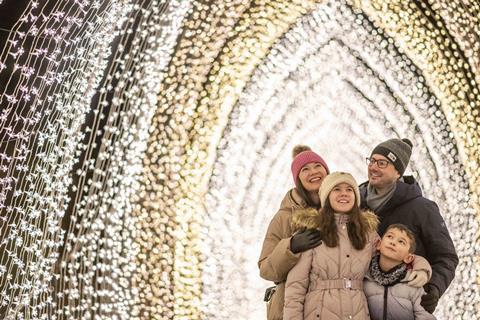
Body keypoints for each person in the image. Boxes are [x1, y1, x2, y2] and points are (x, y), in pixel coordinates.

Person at [360, 138, 458, 313]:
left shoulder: (422, 208)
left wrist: (434, 287)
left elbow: (446, 256)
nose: (373, 167)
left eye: (382, 163)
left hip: (403, 308)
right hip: (360, 308)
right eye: (372, 161)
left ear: (398, 172)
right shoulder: (355, 203)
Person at [283, 172, 380, 319]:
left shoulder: (368, 234)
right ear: (327, 196)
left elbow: (391, 264)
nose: (344, 194)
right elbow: (295, 288)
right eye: (337, 189)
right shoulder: (312, 230)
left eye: (349, 190)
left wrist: (420, 267)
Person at [258, 145, 329, 320]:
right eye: (305, 169)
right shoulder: (283, 217)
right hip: (289, 307)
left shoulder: (343, 210)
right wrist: (291, 246)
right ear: (297, 178)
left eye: (317, 166)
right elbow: (266, 269)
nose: (313, 172)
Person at [364, 223, 436, 320]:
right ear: (378, 244)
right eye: (390, 236)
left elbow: (424, 316)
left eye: (401, 242)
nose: (393, 242)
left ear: (408, 258)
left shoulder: (412, 283)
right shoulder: (365, 278)